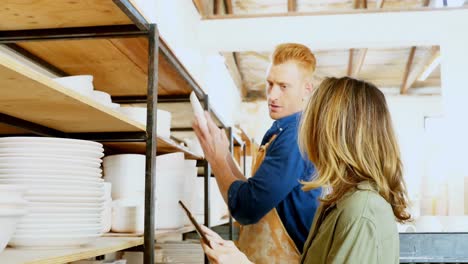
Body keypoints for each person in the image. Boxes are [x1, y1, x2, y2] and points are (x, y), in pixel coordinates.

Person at [198, 77, 411, 264]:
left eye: (312, 122)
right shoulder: (339, 201)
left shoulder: (362, 211)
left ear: (335, 134)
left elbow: (248, 205)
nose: (306, 134)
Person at [192, 43, 322, 263]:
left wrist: (216, 159)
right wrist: (223, 155)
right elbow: (252, 193)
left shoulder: (295, 136)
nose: (272, 95)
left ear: (306, 89)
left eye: (283, 86)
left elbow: (247, 208)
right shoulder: (281, 131)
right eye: (270, 83)